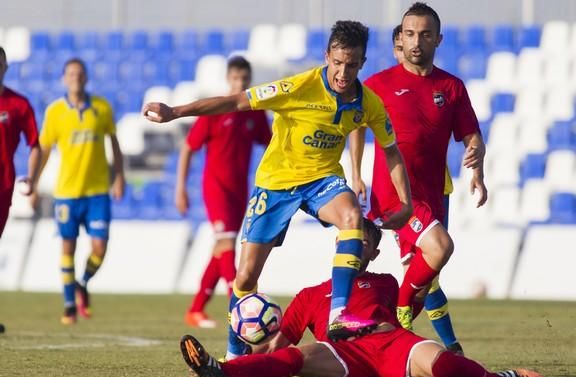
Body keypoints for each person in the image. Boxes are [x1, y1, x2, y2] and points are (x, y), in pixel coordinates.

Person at [144, 21, 413, 357]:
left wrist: (406, 201)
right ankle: (234, 356)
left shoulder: (368, 103)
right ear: (327, 55)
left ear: (362, 62)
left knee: (351, 216)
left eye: (352, 65)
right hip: (276, 184)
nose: (343, 73)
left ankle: (338, 314)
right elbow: (236, 102)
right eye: (338, 63)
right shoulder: (298, 87)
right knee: (244, 278)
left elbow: (391, 150)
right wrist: (175, 112)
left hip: (322, 180)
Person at [178, 219, 544, 377]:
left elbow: (412, 300)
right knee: (294, 359)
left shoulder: (385, 282)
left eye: (359, 240)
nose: (348, 244)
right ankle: (221, 372)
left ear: (372, 250)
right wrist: (240, 351)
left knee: (446, 364)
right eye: (343, 238)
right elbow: (278, 346)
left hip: (389, 344)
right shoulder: (309, 295)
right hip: (341, 355)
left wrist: (429, 262)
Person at [349, 2, 487, 334]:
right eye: (409, 33)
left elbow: (472, 136)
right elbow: (356, 125)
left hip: (433, 193)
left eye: (424, 35)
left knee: (426, 275)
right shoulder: (378, 84)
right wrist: (356, 174)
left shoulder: (451, 87)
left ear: (438, 39)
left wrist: (477, 164)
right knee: (439, 248)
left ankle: (388, 336)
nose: (415, 41)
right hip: (395, 194)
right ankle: (397, 318)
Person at [176, 56, 272, 329]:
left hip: (240, 189)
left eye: (244, 80)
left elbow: (270, 144)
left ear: (249, 81)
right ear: (228, 79)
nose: (239, 84)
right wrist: (181, 188)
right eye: (235, 79)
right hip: (215, 186)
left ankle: (196, 309)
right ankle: (237, 306)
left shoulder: (254, 113)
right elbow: (188, 148)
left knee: (221, 249)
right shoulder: (215, 110)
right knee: (228, 244)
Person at [32, 58, 125, 325]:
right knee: (67, 247)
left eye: (80, 73)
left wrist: (119, 176)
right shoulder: (55, 112)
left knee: (99, 247)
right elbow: (46, 149)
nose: (76, 77)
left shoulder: (102, 107)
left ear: (86, 77)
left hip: (97, 192)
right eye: (71, 73)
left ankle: (83, 282)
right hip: (67, 193)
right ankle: (69, 305)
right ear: (64, 78)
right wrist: (35, 184)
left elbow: (114, 143)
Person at [0, 46, 41, 238]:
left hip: (4, 183)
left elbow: (34, 145)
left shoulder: (19, 104)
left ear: (6, 67)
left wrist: (32, 177)